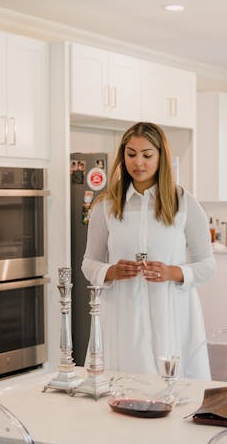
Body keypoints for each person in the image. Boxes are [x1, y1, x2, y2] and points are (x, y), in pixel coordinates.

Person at [81, 122, 215, 379]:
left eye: (147, 155)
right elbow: (89, 262)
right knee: (122, 390)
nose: (138, 163)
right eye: (131, 154)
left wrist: (173, 272)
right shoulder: (106, 206)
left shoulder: (184, 203)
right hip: (123, 315)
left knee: (175, 393)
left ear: (161, 157)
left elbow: (207, 265)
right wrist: (111, 271)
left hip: (172, 314)